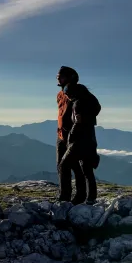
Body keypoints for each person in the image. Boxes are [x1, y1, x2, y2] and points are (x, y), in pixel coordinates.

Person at [56, 66, 101, 205]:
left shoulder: (77, 93)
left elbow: (81, 116)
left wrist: (74, 133)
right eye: (58, 75)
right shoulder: (61, 94)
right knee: (67, 166)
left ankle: (74, 197)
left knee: (75, 167)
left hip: (76, 137)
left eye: (61, 76)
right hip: (63, 135)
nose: (58, 78)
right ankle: (71, 196)